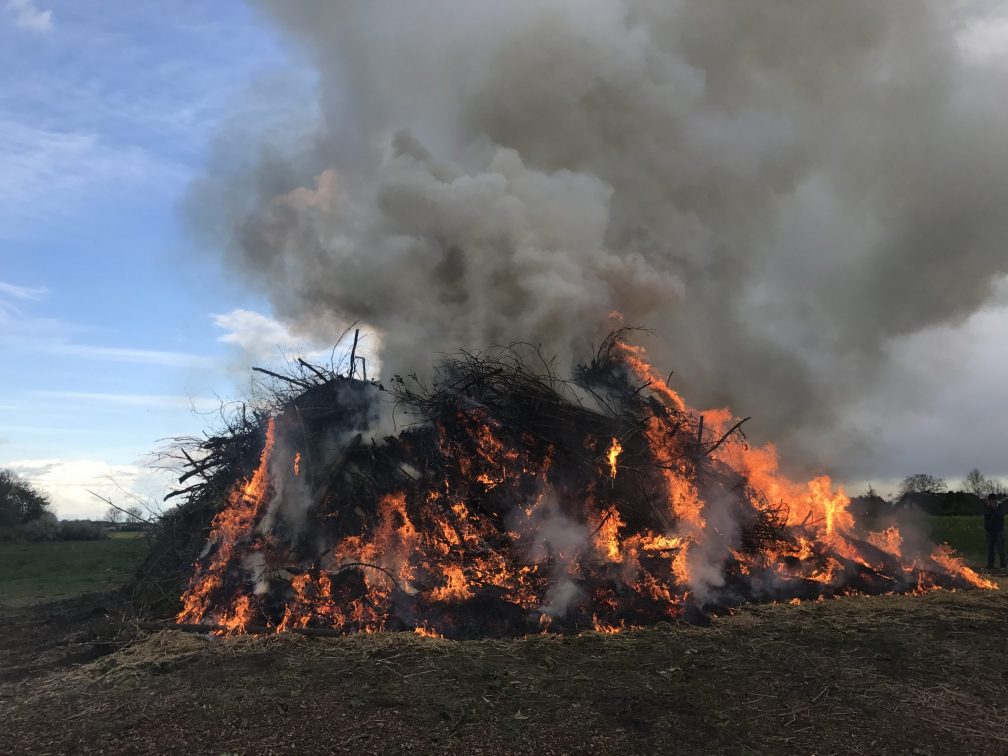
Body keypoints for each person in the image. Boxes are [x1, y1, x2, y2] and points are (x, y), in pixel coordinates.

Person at [983, 493, 1006, 570]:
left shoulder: (1001, 506)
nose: (991, 502)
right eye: (990, 501)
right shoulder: (986, 507)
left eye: (993, 501)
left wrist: (994, 509)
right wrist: (990, 508)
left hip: (998, 531)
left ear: (995, 501)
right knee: (990, 549)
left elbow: (1001, 515)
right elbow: (986, 515)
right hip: (989, 531)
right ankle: (990, 566)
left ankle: (1003, 566)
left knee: (1001, 549)